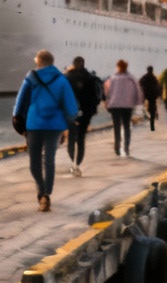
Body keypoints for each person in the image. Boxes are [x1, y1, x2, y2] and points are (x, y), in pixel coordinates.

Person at [12, 50, 79, 212]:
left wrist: (16, 117)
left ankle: (41, 192)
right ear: (52, 62)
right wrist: (70, 122)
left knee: (34, 160)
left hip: (34, 123)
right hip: (55, 125)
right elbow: (71, 106)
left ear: (39, 61)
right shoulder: (61, 80)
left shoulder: (31, 77)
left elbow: (20, 101)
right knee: (49, 159)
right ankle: (47, 192)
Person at [65, 56, 103, 176]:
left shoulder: (67, 78)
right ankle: (77, 162)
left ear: (74, 64)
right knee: (81, 138)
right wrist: (91, 110)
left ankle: (73, 160)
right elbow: (95, 97)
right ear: (83, 64)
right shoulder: (90, 78)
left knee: (71, 137)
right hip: (86, 112)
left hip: (71, 111)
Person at [103, 59, 141, 158]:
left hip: (115, 105)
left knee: (116, 126)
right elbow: (138, 91)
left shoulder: (113, 78)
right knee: (127, 126)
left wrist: (107, 101)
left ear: (118, 66)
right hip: (127, 106)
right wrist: (137, 102)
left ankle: (117, 146)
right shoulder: (131, 78)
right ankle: (126, 147)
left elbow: (107, 90)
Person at [139, 65, 161, 131]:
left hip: (145, 94)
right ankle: (152, 125)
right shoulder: (154, 77)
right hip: (152, 95)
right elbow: (158, 85)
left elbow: (139, 83)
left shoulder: (144, 77)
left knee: (142, 106)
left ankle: (144, 115)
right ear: (152, 70)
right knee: (152, 110)